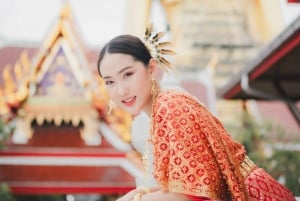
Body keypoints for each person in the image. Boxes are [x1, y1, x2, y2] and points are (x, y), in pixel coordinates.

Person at [96, 24, 296, 201]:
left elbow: (193, 190)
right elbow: (185, 184)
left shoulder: (170, 105)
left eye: (128, 74)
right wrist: (140, 193)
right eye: (110, 82)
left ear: (151, 68)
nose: (121, 90)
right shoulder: (160, 108)